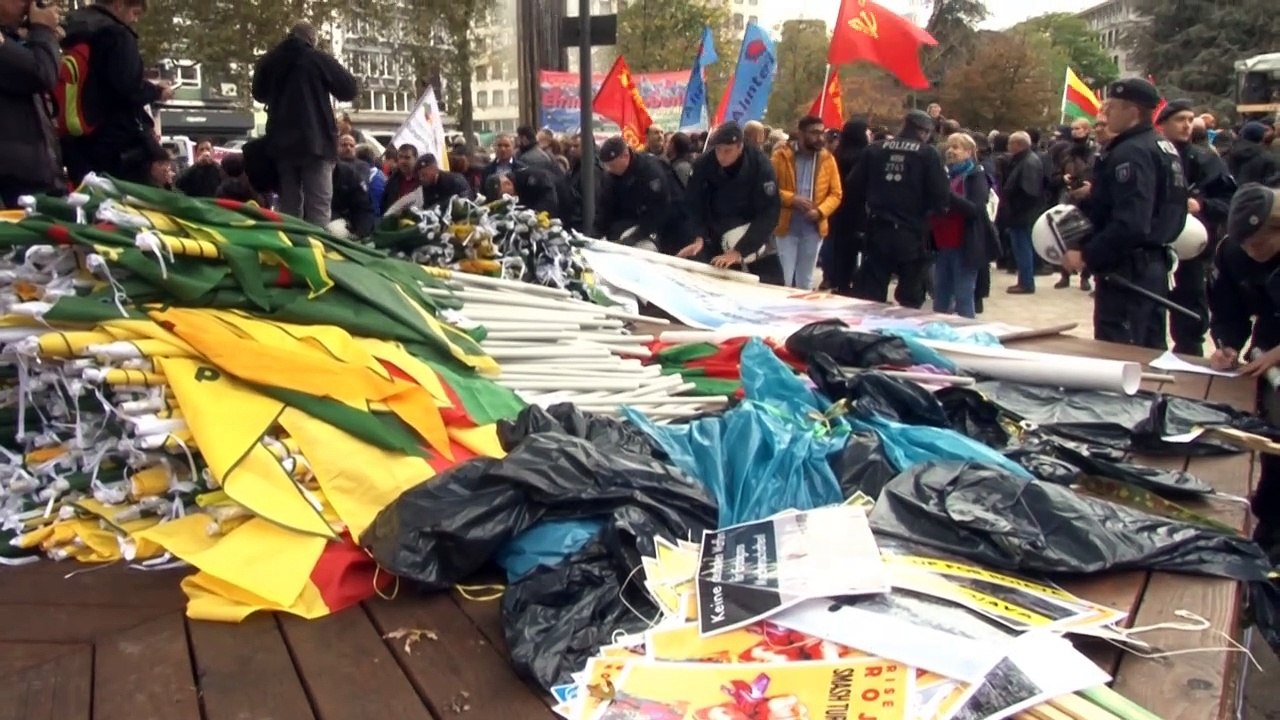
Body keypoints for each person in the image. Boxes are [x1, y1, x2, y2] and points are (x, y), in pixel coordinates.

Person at [1062, 78, 1181, 350]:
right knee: (1148, 351)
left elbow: (1131, 221)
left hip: (1128, 269)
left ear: (1132, 111)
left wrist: (1088, 253)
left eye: (1112, 108)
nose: (1105, 115)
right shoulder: (1161, 146)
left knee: (1121, 354)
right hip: (1151, 264)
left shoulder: (1131, 152)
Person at [1207, 183, 1280, 556]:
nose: (1253, 253)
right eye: (1246, 245)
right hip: (1266, 343)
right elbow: (1226, 309)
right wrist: (1226, 344)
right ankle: (1267, 522)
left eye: (1261, 245)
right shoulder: (1232, 254)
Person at [251, 22, 358, 226]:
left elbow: (258, 94)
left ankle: (291, 247)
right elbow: (348, 89)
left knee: (289, 207)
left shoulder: (270, 61)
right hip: (315, 143)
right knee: (319, 206)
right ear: (312, 38)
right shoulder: (316, 59)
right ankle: (317, 250)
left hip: (281, 145)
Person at [58, 0, 170, 184]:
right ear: (118, 5)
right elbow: (128, 87)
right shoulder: (117, 35)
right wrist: (157, 91)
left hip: (77, 136)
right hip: (115, 142)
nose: (134, 20)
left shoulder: (73, 31)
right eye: (135, 13)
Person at [845, 110, 949, 308]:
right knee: (910, 296)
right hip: (913, 232)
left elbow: (853, 187)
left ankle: (869, 332)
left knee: (871, 293)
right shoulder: (927, 154)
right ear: (923, 131)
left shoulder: (875, 150)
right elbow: (941, 196)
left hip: (878, 228)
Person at [1158, 99, 1234, 356]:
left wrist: (1201, 205)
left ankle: (1189, 360)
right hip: (1151, 249)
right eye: (1180, 120)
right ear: (1163, 124)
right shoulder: (1150, 155)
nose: (1187, 125)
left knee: (1190, 315)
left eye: (1190, 120)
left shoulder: (1205, 160)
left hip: (1191, 251)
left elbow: (1228, 201)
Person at [677, 122, 783, 284]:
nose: (722, 156)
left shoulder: (760, 165)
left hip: (751, 230)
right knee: (709, 280)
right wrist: (698, 236)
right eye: (718, 150)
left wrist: (740, 250)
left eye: (728, 151)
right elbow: (693, 203)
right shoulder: (704, 164)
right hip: (715, 228)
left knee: (772, 282)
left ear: (740, 147)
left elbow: (769, 212)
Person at [0, 0, 62, 206]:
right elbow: (40, 73)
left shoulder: (11, 36)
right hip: (13, 180)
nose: (29, 4)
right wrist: (43, 31)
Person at [771, 115, 843, 289]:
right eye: (814, 133)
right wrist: (792, 199)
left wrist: (820, 212)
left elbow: (836, 193)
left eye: (821, 133)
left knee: (806, 280)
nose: (820, 138)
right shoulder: (781, 157)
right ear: (801, 133)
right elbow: (768, 189)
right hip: (786, 228)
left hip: (813, 229)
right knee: (783, 280)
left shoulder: (827, 159)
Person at [929, 133, 993, 319]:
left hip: (965, 245)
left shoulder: (975, 176)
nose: (950, 151)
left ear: (969, 151)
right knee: (940, 296)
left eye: (956, 147)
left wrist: (947, 195)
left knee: (963, 296)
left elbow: (975, 209)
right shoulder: (945, 174)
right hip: (942, 243)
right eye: (949, 146)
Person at [594, 136, 686, 254]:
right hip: (630, 223)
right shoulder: (612, 176)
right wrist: (595, 234)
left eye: (612, 165)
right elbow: (605, 207)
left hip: (664, 226)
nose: (609, 169)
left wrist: (636, 236)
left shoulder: (650, 170)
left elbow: (660, 209)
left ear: (625, 156)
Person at [824, 119, 871, 295]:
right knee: (855, 249)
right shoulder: (864, 156)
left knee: (838, 247)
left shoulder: (836, 155)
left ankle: (838, 280)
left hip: (836, 208)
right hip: (857, 209)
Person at [999, 131, 1045, 294]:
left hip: (1023, 215)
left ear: (1018, 145)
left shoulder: (1028, 162)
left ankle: (1026, 282)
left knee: (1022, 247)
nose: (1008, 147)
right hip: (1021, 213)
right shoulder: (1023, 160)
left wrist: (1015, 208)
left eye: (1011, 144)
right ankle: (1025, 280)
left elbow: (1029, 192)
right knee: (1021, 247)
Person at [383, 153, 471, 217]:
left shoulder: (454, 181)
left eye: (424, 174)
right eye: (419, 175)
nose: (421, 178)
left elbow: (466, 204)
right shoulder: (426, 186)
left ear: (434, 169)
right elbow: (427, 207)